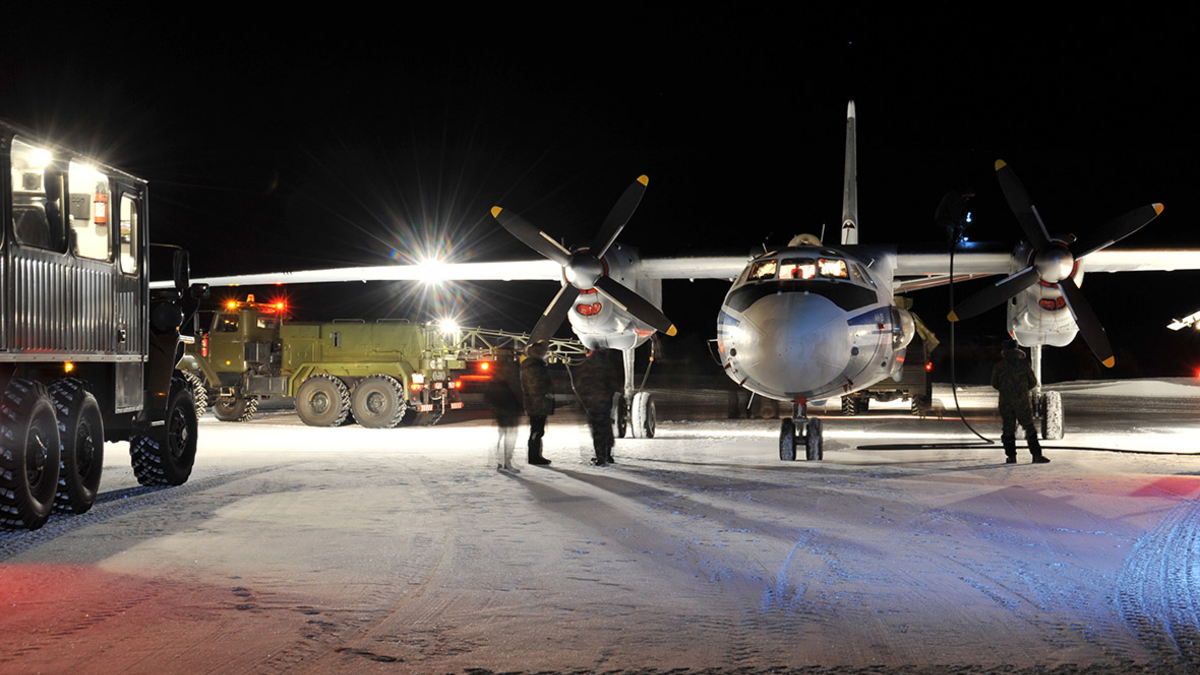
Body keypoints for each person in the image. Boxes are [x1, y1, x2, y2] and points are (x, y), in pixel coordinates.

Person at [991, 339, 1049, 464]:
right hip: (1022, 401)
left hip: (1006, 402)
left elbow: (995, 383)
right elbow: (1033, 382)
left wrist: (1006, 390)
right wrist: (1022, 391)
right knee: (1029, 428)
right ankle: (1036, 455)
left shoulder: (999, 366)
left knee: (1008, 429)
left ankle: (1011, 457)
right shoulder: (1024, 364)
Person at [575, 348, 619, 465]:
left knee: (598, 431)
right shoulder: (608, 365)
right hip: (605, 402)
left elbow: (580, 384)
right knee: (607, 428)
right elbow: (614, 383)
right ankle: (608, 455)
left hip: (592, 403)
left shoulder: (588, 365)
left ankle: (600, 457)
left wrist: (583, 401)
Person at [484, 346, 523, 473]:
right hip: (510, 407)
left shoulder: (495, 368)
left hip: (501, 407)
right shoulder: (511, 368)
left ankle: (501, 462)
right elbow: (516, 387)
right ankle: (506, 462)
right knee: (510, 435)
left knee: (501, 435)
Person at [520, 341, 554, 466]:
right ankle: (534, 457)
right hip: (537, 403)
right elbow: (535, 385)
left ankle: (535, 455)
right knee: (537, 430)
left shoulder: (533, 365)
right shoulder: (534, 366)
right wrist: (545, 395)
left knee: (537, 430)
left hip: (537, 403)